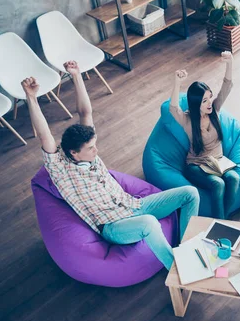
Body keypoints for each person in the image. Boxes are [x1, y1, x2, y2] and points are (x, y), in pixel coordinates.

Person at [23, 61, 199, 271]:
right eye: (90, 148)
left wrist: (77, 75)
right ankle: (180, 270)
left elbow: (85, 112)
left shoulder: (87, 150)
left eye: (94, 145)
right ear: (73, 153)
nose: (96, 152)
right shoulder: (60, 168)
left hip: (135, 205)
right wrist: (31, 98)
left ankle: (187, 250)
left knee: (191, 193)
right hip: (113, 226)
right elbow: (44, 135)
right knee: (149, 223)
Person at [170, 51, 238, 220]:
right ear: (195, 104)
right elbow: (173, 108)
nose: (209, 103)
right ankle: (219, 224)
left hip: (218, 162)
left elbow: (227, 85)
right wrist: (177, 82)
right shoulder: (187, 120)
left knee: (234, 178)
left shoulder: (215, 109)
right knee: (218, 184)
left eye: (209, 98)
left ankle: (224, 219)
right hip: (197, 165)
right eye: (204, 101)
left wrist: (230, 62)